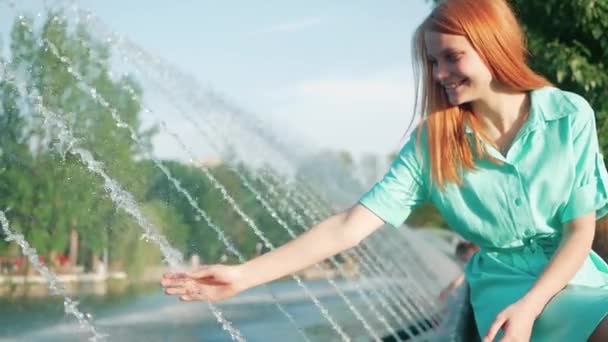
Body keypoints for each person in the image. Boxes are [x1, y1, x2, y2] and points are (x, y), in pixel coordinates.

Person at [162, 0, 608, 340]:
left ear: (493, 45)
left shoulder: (568, 114)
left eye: (451, 57)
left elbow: (579, 232)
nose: (439, 75)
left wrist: (532, 304)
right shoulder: (431, 145)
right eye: (433, 63)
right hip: (506, 292)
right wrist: (243, 276)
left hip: (578, 278)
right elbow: (347, 228)